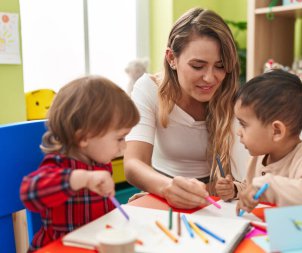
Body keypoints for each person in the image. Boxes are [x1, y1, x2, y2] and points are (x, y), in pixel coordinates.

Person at [124, 7, 248, 209]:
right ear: (172, 58)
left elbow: (244, 176)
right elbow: (133, 164)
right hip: (163, 186)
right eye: (198, 66)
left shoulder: (234, 98)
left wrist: (191, 193)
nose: (210, 78)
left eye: (220, 65)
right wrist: (164, 189)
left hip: (217, 199)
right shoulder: (148, 89)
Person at [20, 76, 140, 252]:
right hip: (60, 247)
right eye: (120, 138)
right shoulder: (58, 164)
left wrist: (123, 208)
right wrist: (81, 178)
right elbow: (29, 193)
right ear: (83, 137)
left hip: (92, 243)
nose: (124, 146)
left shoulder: (100, 162)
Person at [234, 70, 302, 214]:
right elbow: (251, 187)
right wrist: (236, 190)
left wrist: (268, 186)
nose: (238, 131)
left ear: (276, 131)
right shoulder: (257, 157)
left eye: (243, 124)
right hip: (269, 231)